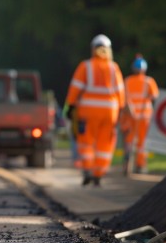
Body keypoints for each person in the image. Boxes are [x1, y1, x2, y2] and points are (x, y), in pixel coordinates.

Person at [64, 34, 125, 186]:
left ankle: (88, 171)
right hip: (109, 112)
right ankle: (98, 174)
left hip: (88, 111)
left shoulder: (86, 66)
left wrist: (70, 106)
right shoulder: (114, 68)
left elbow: (75, 88)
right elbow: (120, 91)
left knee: (86, 142)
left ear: (93, 49)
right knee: (105, 145)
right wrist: (121, 109)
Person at [122, 55, 159, 174]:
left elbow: (123, 98)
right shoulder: (149, 81)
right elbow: (155, 96)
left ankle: (127, 159)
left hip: (131, 115)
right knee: (143, 142)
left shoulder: (127, 81)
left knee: (130, 139)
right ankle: (140, 165)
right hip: (145, 116)